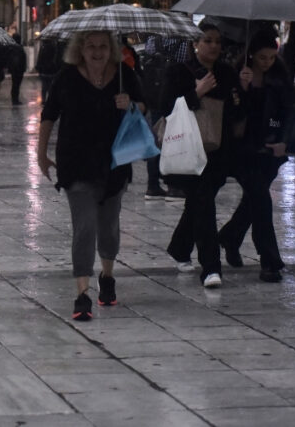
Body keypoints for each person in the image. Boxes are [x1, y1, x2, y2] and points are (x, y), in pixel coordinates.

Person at [37, 31, 144, 321]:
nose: (96, 52)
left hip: (114, 163)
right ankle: (82, 293)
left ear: (111, 49)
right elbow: (49, 114)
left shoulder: (124, 74)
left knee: (108, 227)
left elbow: (144, 107)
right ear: (79, 49)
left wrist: (130, 104)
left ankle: (107, 277)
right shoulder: (67, 77)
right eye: (90, 46)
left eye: (102, 46)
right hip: (76, 163)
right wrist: (41, 153)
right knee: (84, 227)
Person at [163, 23, 246, 289]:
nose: (213, 46)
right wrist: (194, 94)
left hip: (220, 152)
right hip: (190, 150)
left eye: (217, 42)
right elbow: (164, 107)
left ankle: (179, 247)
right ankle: (211, 267)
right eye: (208, 40)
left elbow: (238, 112)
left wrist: (242, 90)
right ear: (196, 43)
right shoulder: (180, 72)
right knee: (204, 207)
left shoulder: (226, 73)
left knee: (200, 203)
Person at [217, 29, 295, 283]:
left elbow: (290, 112)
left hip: (269, 150)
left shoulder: (279, 80)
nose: (267, 62)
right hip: (242, 151)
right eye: (262, 57)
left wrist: (283, 141)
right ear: (252, 54)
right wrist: (241, 89)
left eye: (271, 57)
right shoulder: (236, 76)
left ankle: (230, 237)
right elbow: (229, 113)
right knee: (261, 202)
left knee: (254, 200)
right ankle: (269, 261)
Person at [141, 35, 192, 201]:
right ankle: (173, 186)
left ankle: (152, 185)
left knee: (156, 139)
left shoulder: (151, 41)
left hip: (154, 97)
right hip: (174, 98)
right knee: (174, 140)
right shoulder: (184, 44)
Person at [35, 39, 62, 103]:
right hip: (51, 70)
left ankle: (44, 100)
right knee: (50, 86)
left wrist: (38, 68)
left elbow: (40, 59)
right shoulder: (54, 48)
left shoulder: (43, 48)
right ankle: (50, 100)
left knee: (44, 86)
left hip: (44, 71)